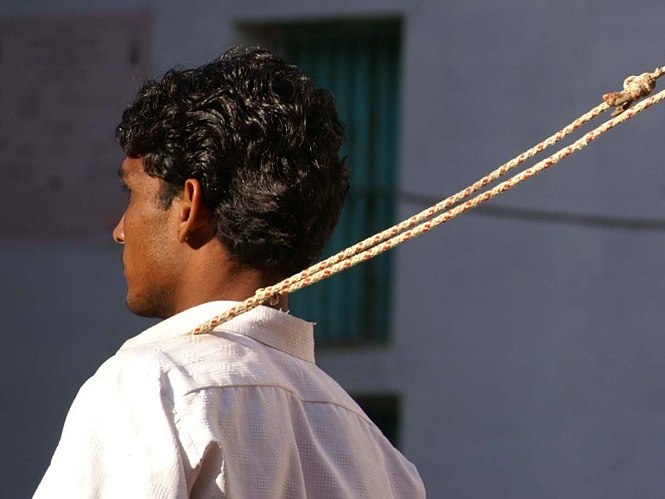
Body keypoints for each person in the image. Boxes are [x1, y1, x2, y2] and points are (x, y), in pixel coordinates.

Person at [34, 46, 425, 498]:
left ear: (189, 206)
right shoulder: (381, 459)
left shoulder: (155, 387)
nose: (120, 231)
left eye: (132, 193)